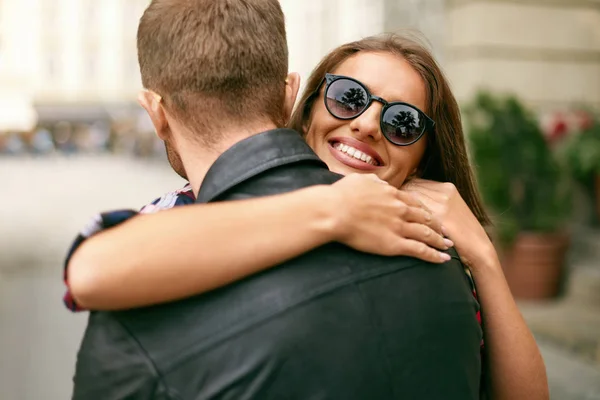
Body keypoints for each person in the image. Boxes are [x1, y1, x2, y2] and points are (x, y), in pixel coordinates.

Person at [67, 1, 547, 400]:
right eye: (348, 97)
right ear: (301, 103)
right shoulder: (193, 211)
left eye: (402, 122)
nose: (366, 124)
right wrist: (336, 211)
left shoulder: (436, 246)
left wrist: (483, 255)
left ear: (422, 158)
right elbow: (94, 270)